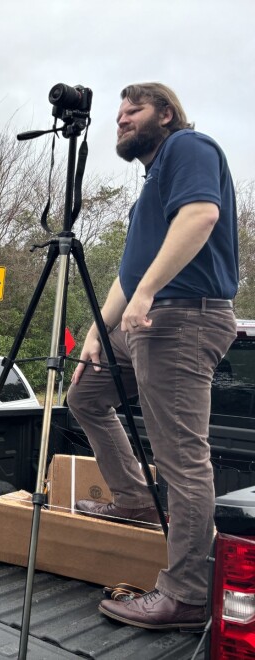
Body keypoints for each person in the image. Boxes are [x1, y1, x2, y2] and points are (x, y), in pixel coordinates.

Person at [66, 83, 238, 630]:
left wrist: (146, 294)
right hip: (148, 317)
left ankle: (187, 595)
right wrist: (97, 329)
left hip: (183, 318)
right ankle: (135, 499)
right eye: (117, 114)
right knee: (85, 395)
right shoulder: (149, 189)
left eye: (132, 111)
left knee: (182, 457)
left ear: (165, 114)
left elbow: (201, 217)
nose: (120, 120)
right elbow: (130, 272)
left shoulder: (189, 148)